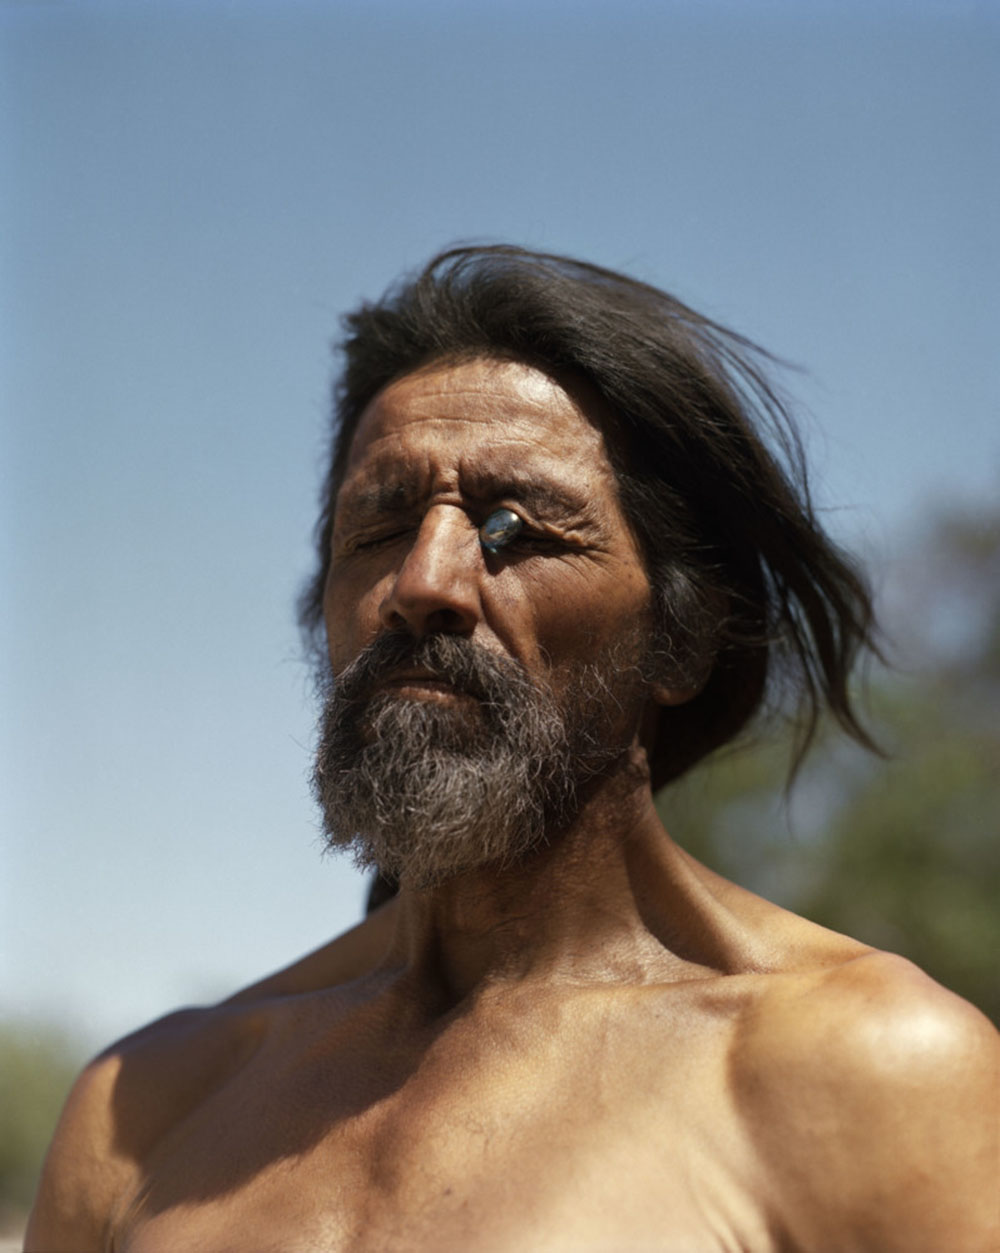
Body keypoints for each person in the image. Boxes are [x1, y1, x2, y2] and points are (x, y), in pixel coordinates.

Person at [27, 247, 998, 1252]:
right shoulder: (147, 1111)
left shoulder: (863, 1071)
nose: (423, 582)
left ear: (681, 639)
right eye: (379, 529)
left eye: (516, 528)